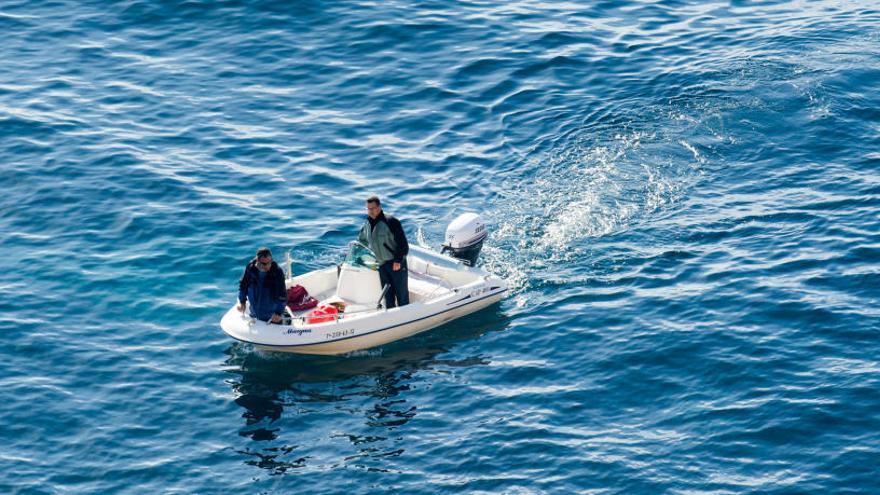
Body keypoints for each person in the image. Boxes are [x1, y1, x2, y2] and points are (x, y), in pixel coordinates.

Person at [357, 195, 409, 308]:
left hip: (396, 264)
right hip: (381, 265)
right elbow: (361, 242)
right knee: (387, 295)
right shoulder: (367, 224)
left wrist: (398, 260)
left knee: (402, 295)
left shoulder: (391, 222)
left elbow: (403, 244)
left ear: (379, 207)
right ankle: (391, 318)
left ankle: (406, 316)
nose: (370, 211)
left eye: (372, 208)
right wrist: (358, 257)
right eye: (368, 208)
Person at [238, 247, 287, 323]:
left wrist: (278, 313)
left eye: (270, 262)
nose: (268, 266)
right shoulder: (250, 268)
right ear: (258, 261)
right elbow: (243, 286)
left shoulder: (277, 272)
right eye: (264, 264)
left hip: (271, 317)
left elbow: (282, 296)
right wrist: (242, 302)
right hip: (254, 313)